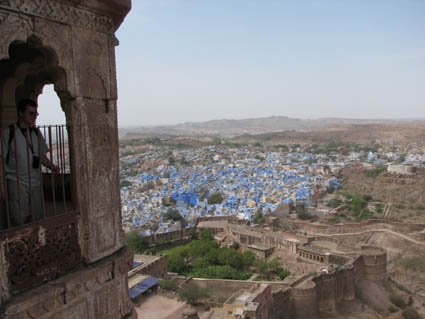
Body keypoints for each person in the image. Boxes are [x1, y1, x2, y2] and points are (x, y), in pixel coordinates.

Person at [0, 99, 59, 227]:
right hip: (16, 181)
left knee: (36, 217)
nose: (33, 117)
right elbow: (2, 160)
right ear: (21, 113)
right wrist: (2, 184)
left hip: (35, 181)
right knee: (19, 219)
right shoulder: (9, 134)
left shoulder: (36, 133)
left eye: (35, 114)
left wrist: (51, 166)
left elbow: (41, 156)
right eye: (30, 113)